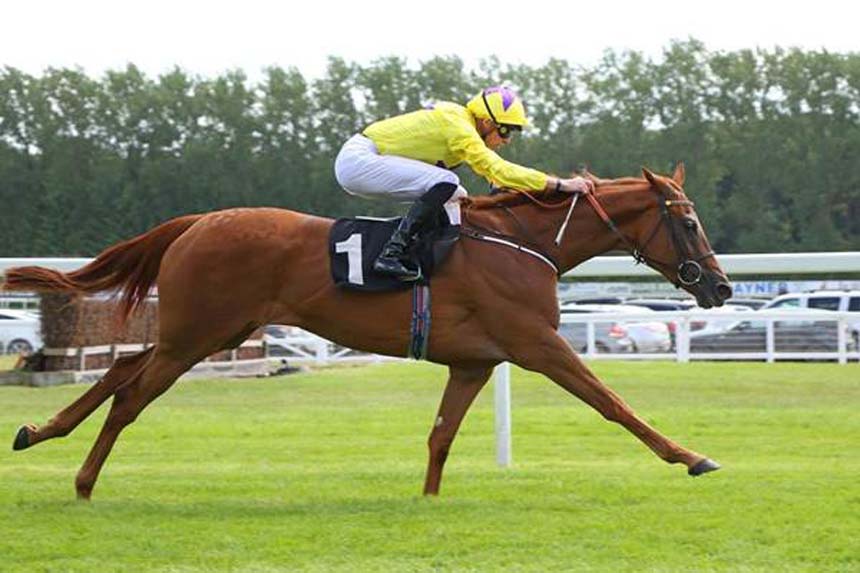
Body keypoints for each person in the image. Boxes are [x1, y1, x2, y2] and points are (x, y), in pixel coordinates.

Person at [334, 85, 594, 281]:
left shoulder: (462, 123)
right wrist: (560, 185)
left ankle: (422, 256)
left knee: (455, 193)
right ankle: (391, 254)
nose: (507, 139)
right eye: (506, 130)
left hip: (364, 161)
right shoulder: (459, 126)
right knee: (447, 181)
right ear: (487, 122)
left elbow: (491, 173)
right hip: (359, 160)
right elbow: (497, 168)